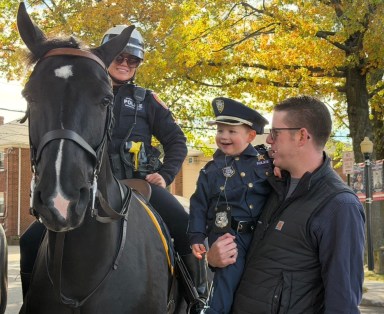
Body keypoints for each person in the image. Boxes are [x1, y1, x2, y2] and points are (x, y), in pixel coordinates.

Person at [19, 25, 209, 307]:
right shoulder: (81, 88)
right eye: (119, 57)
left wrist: (165, 175)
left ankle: (197, 296)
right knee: (30, 239)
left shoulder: (146, 100)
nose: (124, 63)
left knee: (183, 225)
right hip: (93, 184)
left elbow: (176, 141)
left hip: (138, 185)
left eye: (132, 60)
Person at [207, 95, 366, 313]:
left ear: (301, 136)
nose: (269, 140)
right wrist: (214, 259)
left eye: (275, 133)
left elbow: (342, 303)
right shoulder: (271, 186)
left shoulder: (339, 206)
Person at [187, 97, 272, 314]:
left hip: (262, 236)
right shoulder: (210, 170)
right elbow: (199, 205)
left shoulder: (266, 161)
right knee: (227, 280)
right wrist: (197, 236)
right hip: (228, 235)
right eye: (220, 131)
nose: (224, 136)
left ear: (250, 136)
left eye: (232, 131)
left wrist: (281, 172)